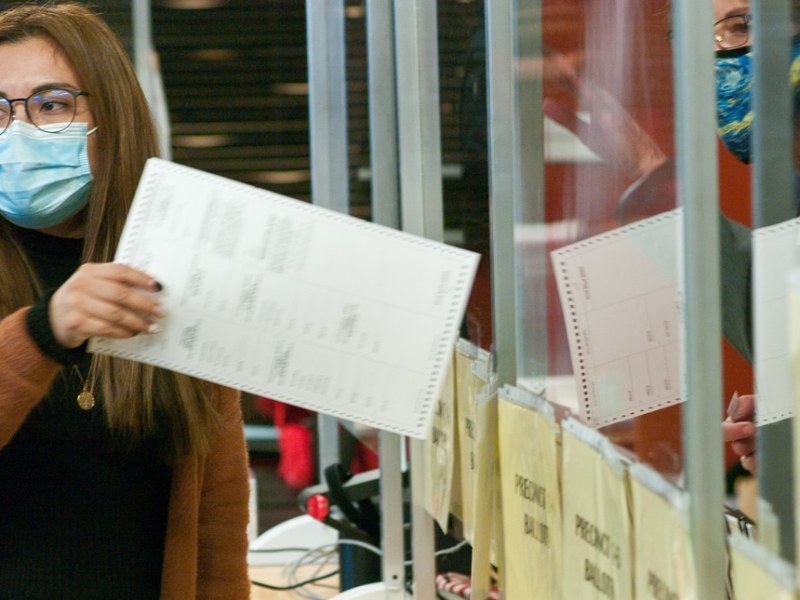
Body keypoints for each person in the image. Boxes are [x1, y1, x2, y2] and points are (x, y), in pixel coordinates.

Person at [0, 3, 251, 598]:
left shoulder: (177, 271)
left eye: (52, 105)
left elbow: (216, 529)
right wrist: (42, 333)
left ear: (111, 117)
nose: (19, 133)